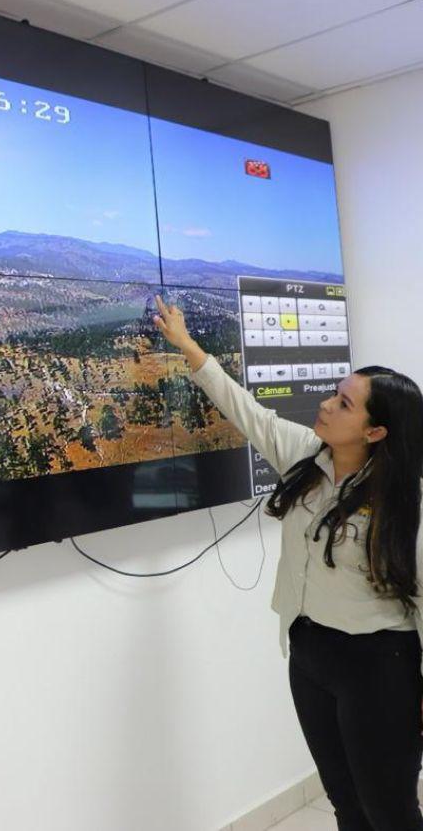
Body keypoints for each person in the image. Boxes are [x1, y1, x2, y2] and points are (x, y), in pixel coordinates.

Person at [152, 293, 423, 831]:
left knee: (389, 811)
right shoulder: (304, 457)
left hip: (379, 665)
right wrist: (187, 346)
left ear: (376, 432)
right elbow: (245, 409)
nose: (326, 404)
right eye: (333, 393)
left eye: (344, 404)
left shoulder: (407, 503)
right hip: (310, 652)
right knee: (345, 800)